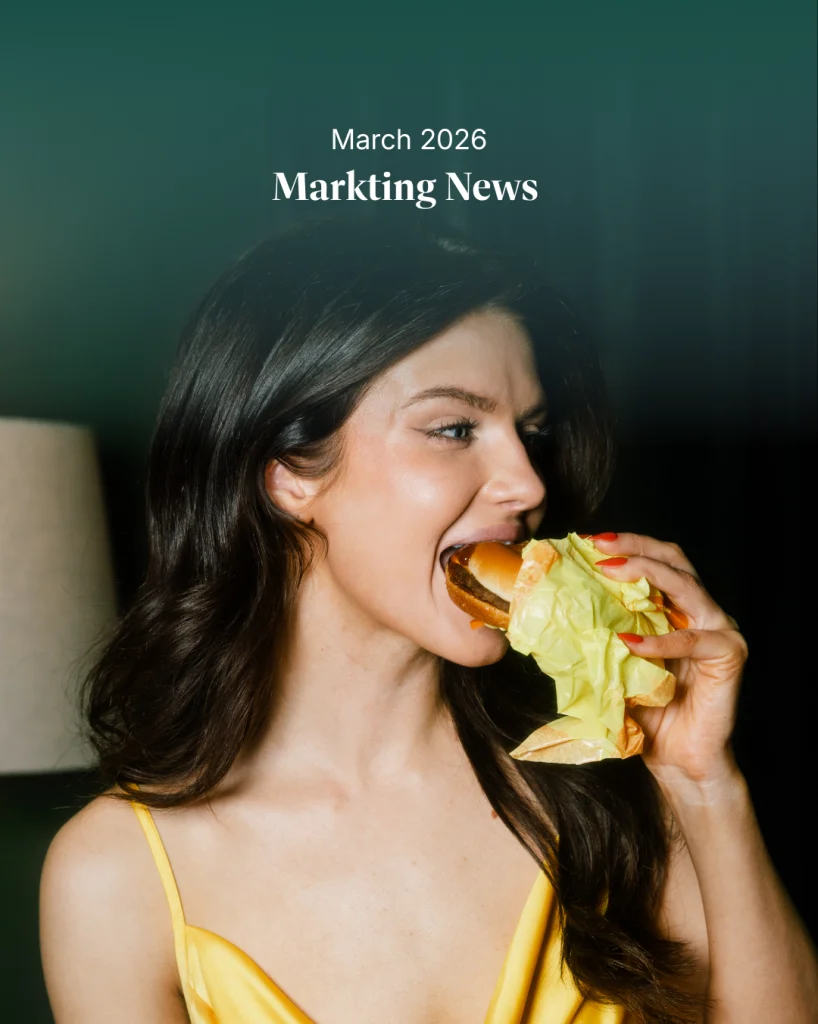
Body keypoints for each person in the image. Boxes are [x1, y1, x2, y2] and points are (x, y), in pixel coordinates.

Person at [39, 217, 817, 1024]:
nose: (526, 483)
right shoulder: (114, 876)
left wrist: (704, 786)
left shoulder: (610, 781)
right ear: (287, 476)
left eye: (533, 432)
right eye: (454, 428)